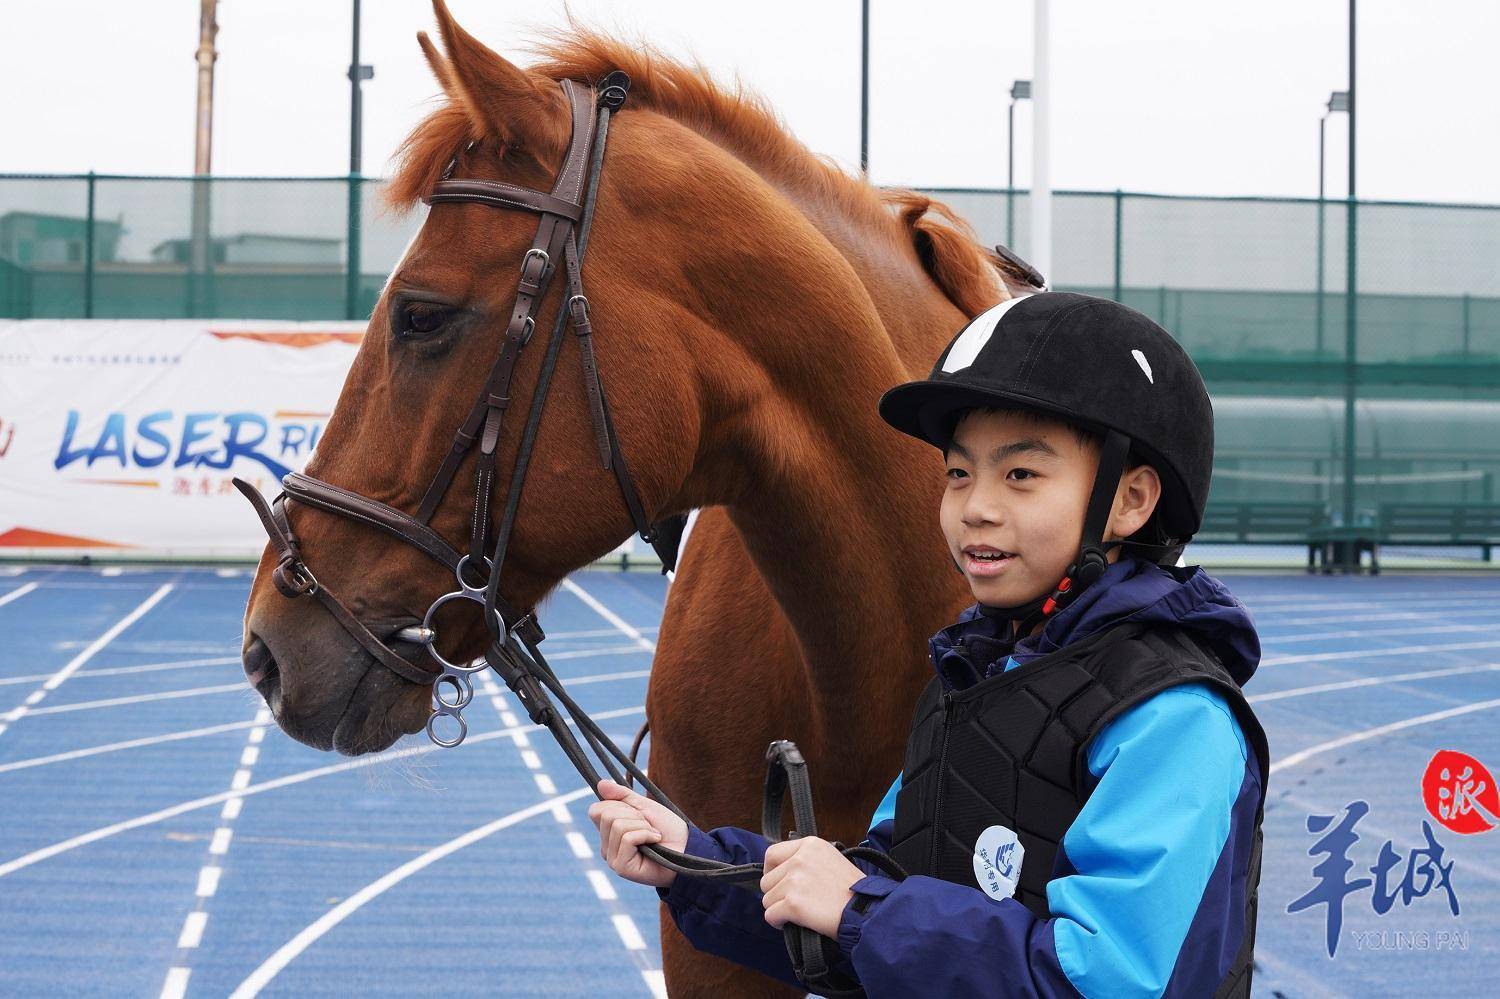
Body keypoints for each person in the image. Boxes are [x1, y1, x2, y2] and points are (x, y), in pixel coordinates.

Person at [590, 291, 1271, 997]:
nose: (975, 505)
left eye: (1020, 474)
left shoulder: (1172, 718)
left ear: (1130, 500)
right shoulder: (971, 678)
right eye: (958, 472)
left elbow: (1102, 977)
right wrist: (693, 862)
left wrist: (858, 910)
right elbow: (873, 907)